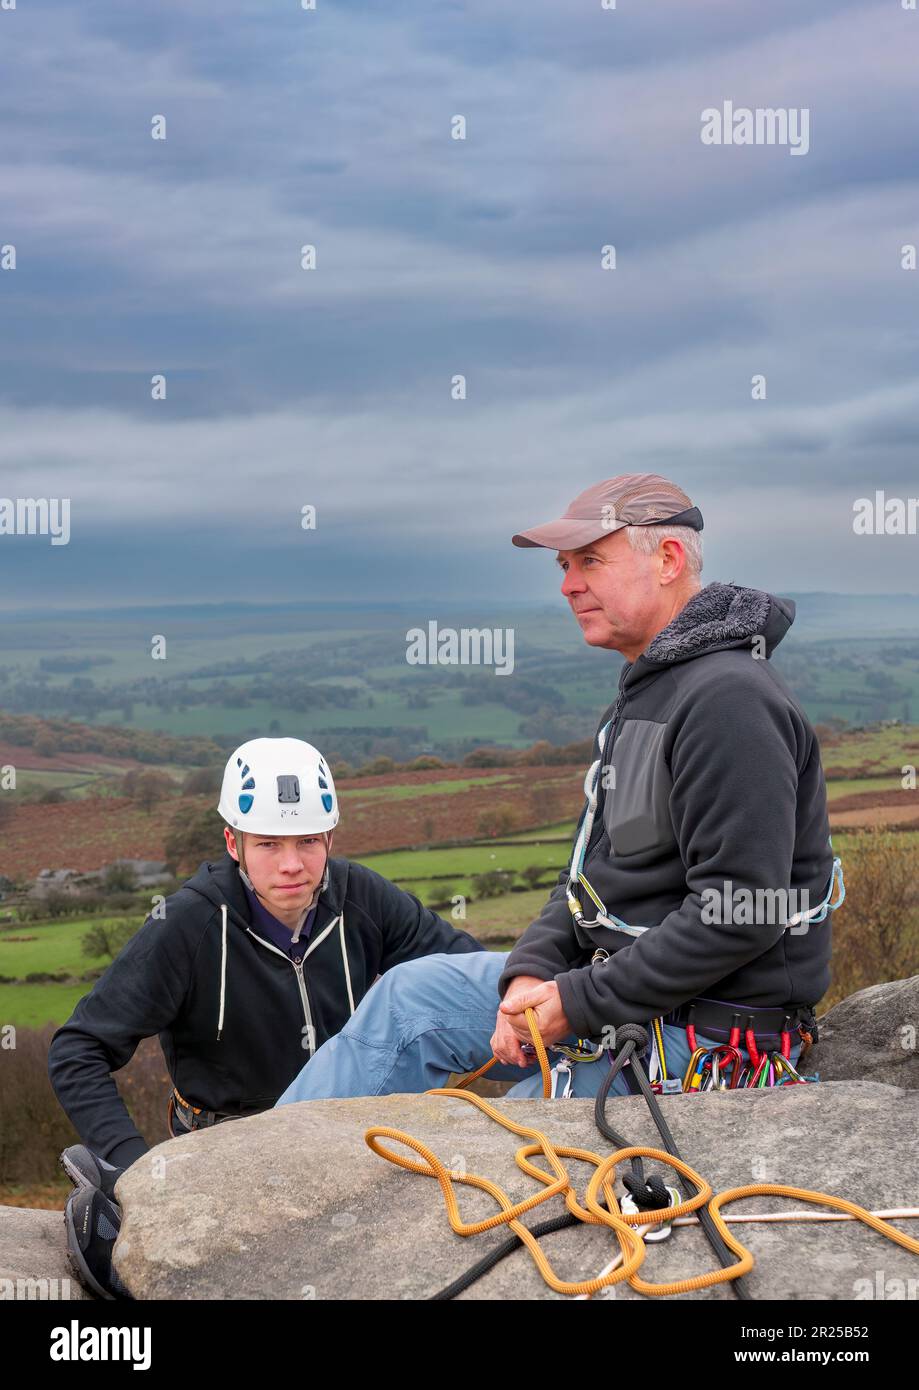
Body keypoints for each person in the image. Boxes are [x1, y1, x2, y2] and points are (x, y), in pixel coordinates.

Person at [277, 473, 842, 1111]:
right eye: (565, 566)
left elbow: (740, 910)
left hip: (701, 1031)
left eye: (591, 561)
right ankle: (261, 1179)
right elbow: (588, 876)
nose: (569, 584)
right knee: (411, 997)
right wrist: (530, 974)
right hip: (614, 988)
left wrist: (573, 1005)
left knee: (510, 1125)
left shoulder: (730, 701)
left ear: (668, 559)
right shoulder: (652, 690)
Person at [48, 736, 483, 1297]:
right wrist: (134, 1170)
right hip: (225, 1143)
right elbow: (78, 1050)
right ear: (233, 842)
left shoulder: (360, 897)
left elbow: (462, 972)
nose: (292, 865)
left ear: (330, 837)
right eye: (268, 844)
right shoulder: (190, 925)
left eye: (308, 841)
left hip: (350, 1130)